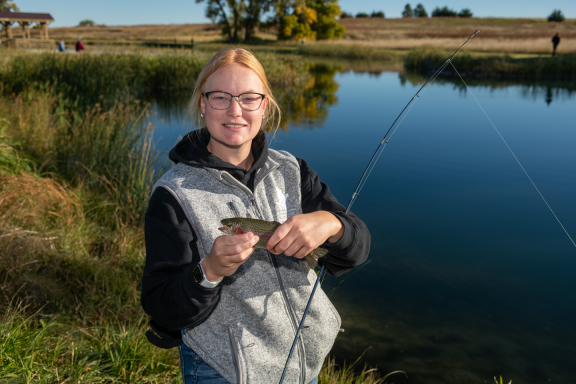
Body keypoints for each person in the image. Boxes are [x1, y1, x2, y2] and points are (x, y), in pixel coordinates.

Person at [141, 48, 370, 384]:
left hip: (304, 360)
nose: (235, 110)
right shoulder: (174, 195)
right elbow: (162, 306)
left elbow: (358, 249)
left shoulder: (293, 170)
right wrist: (209, 271)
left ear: (264, 106)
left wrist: (331, 224)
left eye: (249, 98)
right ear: (202, 104)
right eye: (220, 97)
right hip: (223, 370)